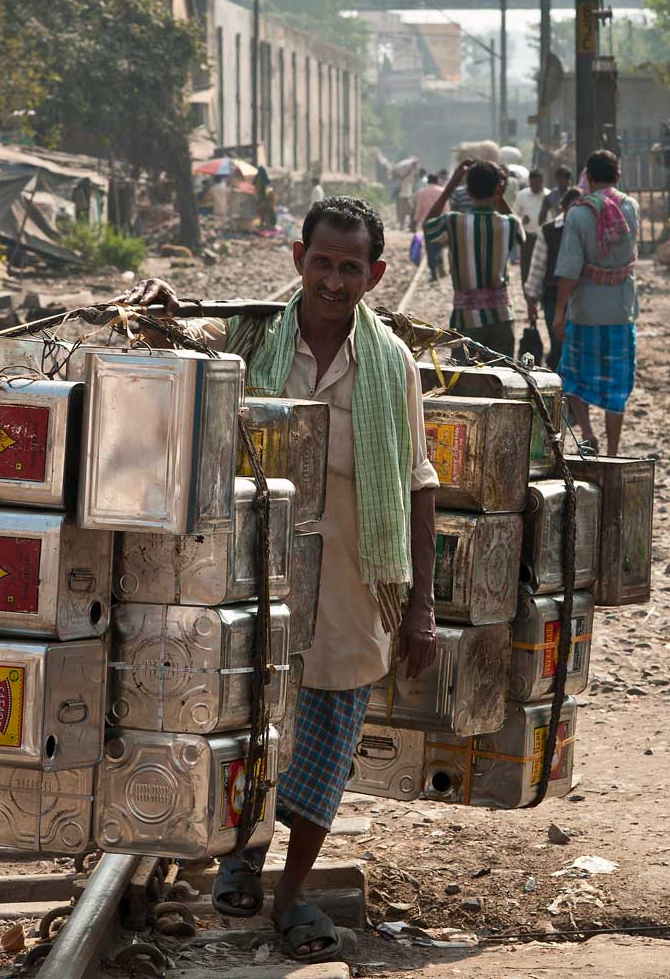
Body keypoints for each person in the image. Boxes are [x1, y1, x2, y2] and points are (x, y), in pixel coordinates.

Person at [124, 197, 438, 963]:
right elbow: (182, 349)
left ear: (376, 274)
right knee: (248, 716)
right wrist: (161, 314)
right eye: (322, 262)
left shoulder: (391, 363)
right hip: (252, 576)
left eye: (350, 268)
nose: (333, 280)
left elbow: (420, 482)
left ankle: (291, 890)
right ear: (298, 259)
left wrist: (422, 605)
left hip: (353, 580)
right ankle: (240, 855)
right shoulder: (253, 334)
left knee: (327, 739)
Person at [552, 149, 639, 454]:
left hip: (586, 310)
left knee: (574, 377)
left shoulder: (578, 213)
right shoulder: (631, 207)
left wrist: (559, 312)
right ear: (618, 175)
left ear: (587, 177)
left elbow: (569, 267)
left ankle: (588, 434)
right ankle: (613, 451)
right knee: (617, 385)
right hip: (621, 310)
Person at [423, 159, 525, 359]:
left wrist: (451, 185)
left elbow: (428, 227)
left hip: (466, 322)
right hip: (502, 317)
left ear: (468, 192)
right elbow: (521, 236)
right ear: (498, 189)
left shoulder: (453, 221)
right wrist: (500, 196)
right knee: (502, 382)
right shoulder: (510, 223)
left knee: (466, 383)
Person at [525, 187, 581, 367]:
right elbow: (538, 266)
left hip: (581, 294)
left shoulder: (587, 228)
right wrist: (531, 299)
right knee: (558, 341)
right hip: (553, 294)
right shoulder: (549, 231)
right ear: (563, 207)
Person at [514, 169, 549, 285]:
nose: (535, 186)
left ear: (542, 182)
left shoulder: (548, 196)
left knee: (544, 265)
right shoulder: (522, 195)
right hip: (527, 237)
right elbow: (514, 215)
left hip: (544, 237)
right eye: (532, 183)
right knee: (526, 266)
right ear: (529, 182)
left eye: (537, 183)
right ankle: (526, 291)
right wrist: (522, 221)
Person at [413, 172, 447, 281]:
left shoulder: (422, 192)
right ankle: (441, 266)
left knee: (430, 247)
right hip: (441, 221)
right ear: (437, 181)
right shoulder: (442, 191)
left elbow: (419, 208)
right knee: (439, 245)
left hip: (427, 223)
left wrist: (415, 221)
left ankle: (433, 273)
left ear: (428, 181)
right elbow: (446, 208)